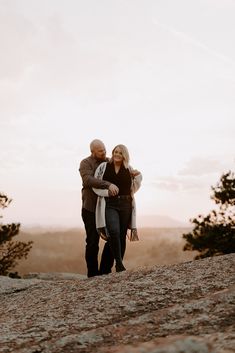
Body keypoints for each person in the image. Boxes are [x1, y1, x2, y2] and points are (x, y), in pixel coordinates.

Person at [93, 144, 142, 272]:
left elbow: (133, 189)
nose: (117, 154)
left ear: (124, 155)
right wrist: (107, 191)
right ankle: (119, 263)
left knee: (121, 235)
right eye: (116, 152)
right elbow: (95, 185)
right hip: (110, 204)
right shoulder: (103, 167)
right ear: (113, 152)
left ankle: (114, 266)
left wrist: (138, 176)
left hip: (126, 204)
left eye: (120, 153)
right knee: (113, 231)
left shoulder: (128, 169)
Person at [79, 139, 119, 277]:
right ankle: (93, 275)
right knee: (92, 242)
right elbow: (88, 180)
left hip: (106, 208)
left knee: (113, 237)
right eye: (100, 151)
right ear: (93, 152)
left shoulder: (109, 162)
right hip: (90, 208)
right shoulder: (85, 163)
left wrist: (133, 173)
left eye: (104, 150)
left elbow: (121, 170)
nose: (104, 152)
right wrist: (107, 184)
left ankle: (105, 271)